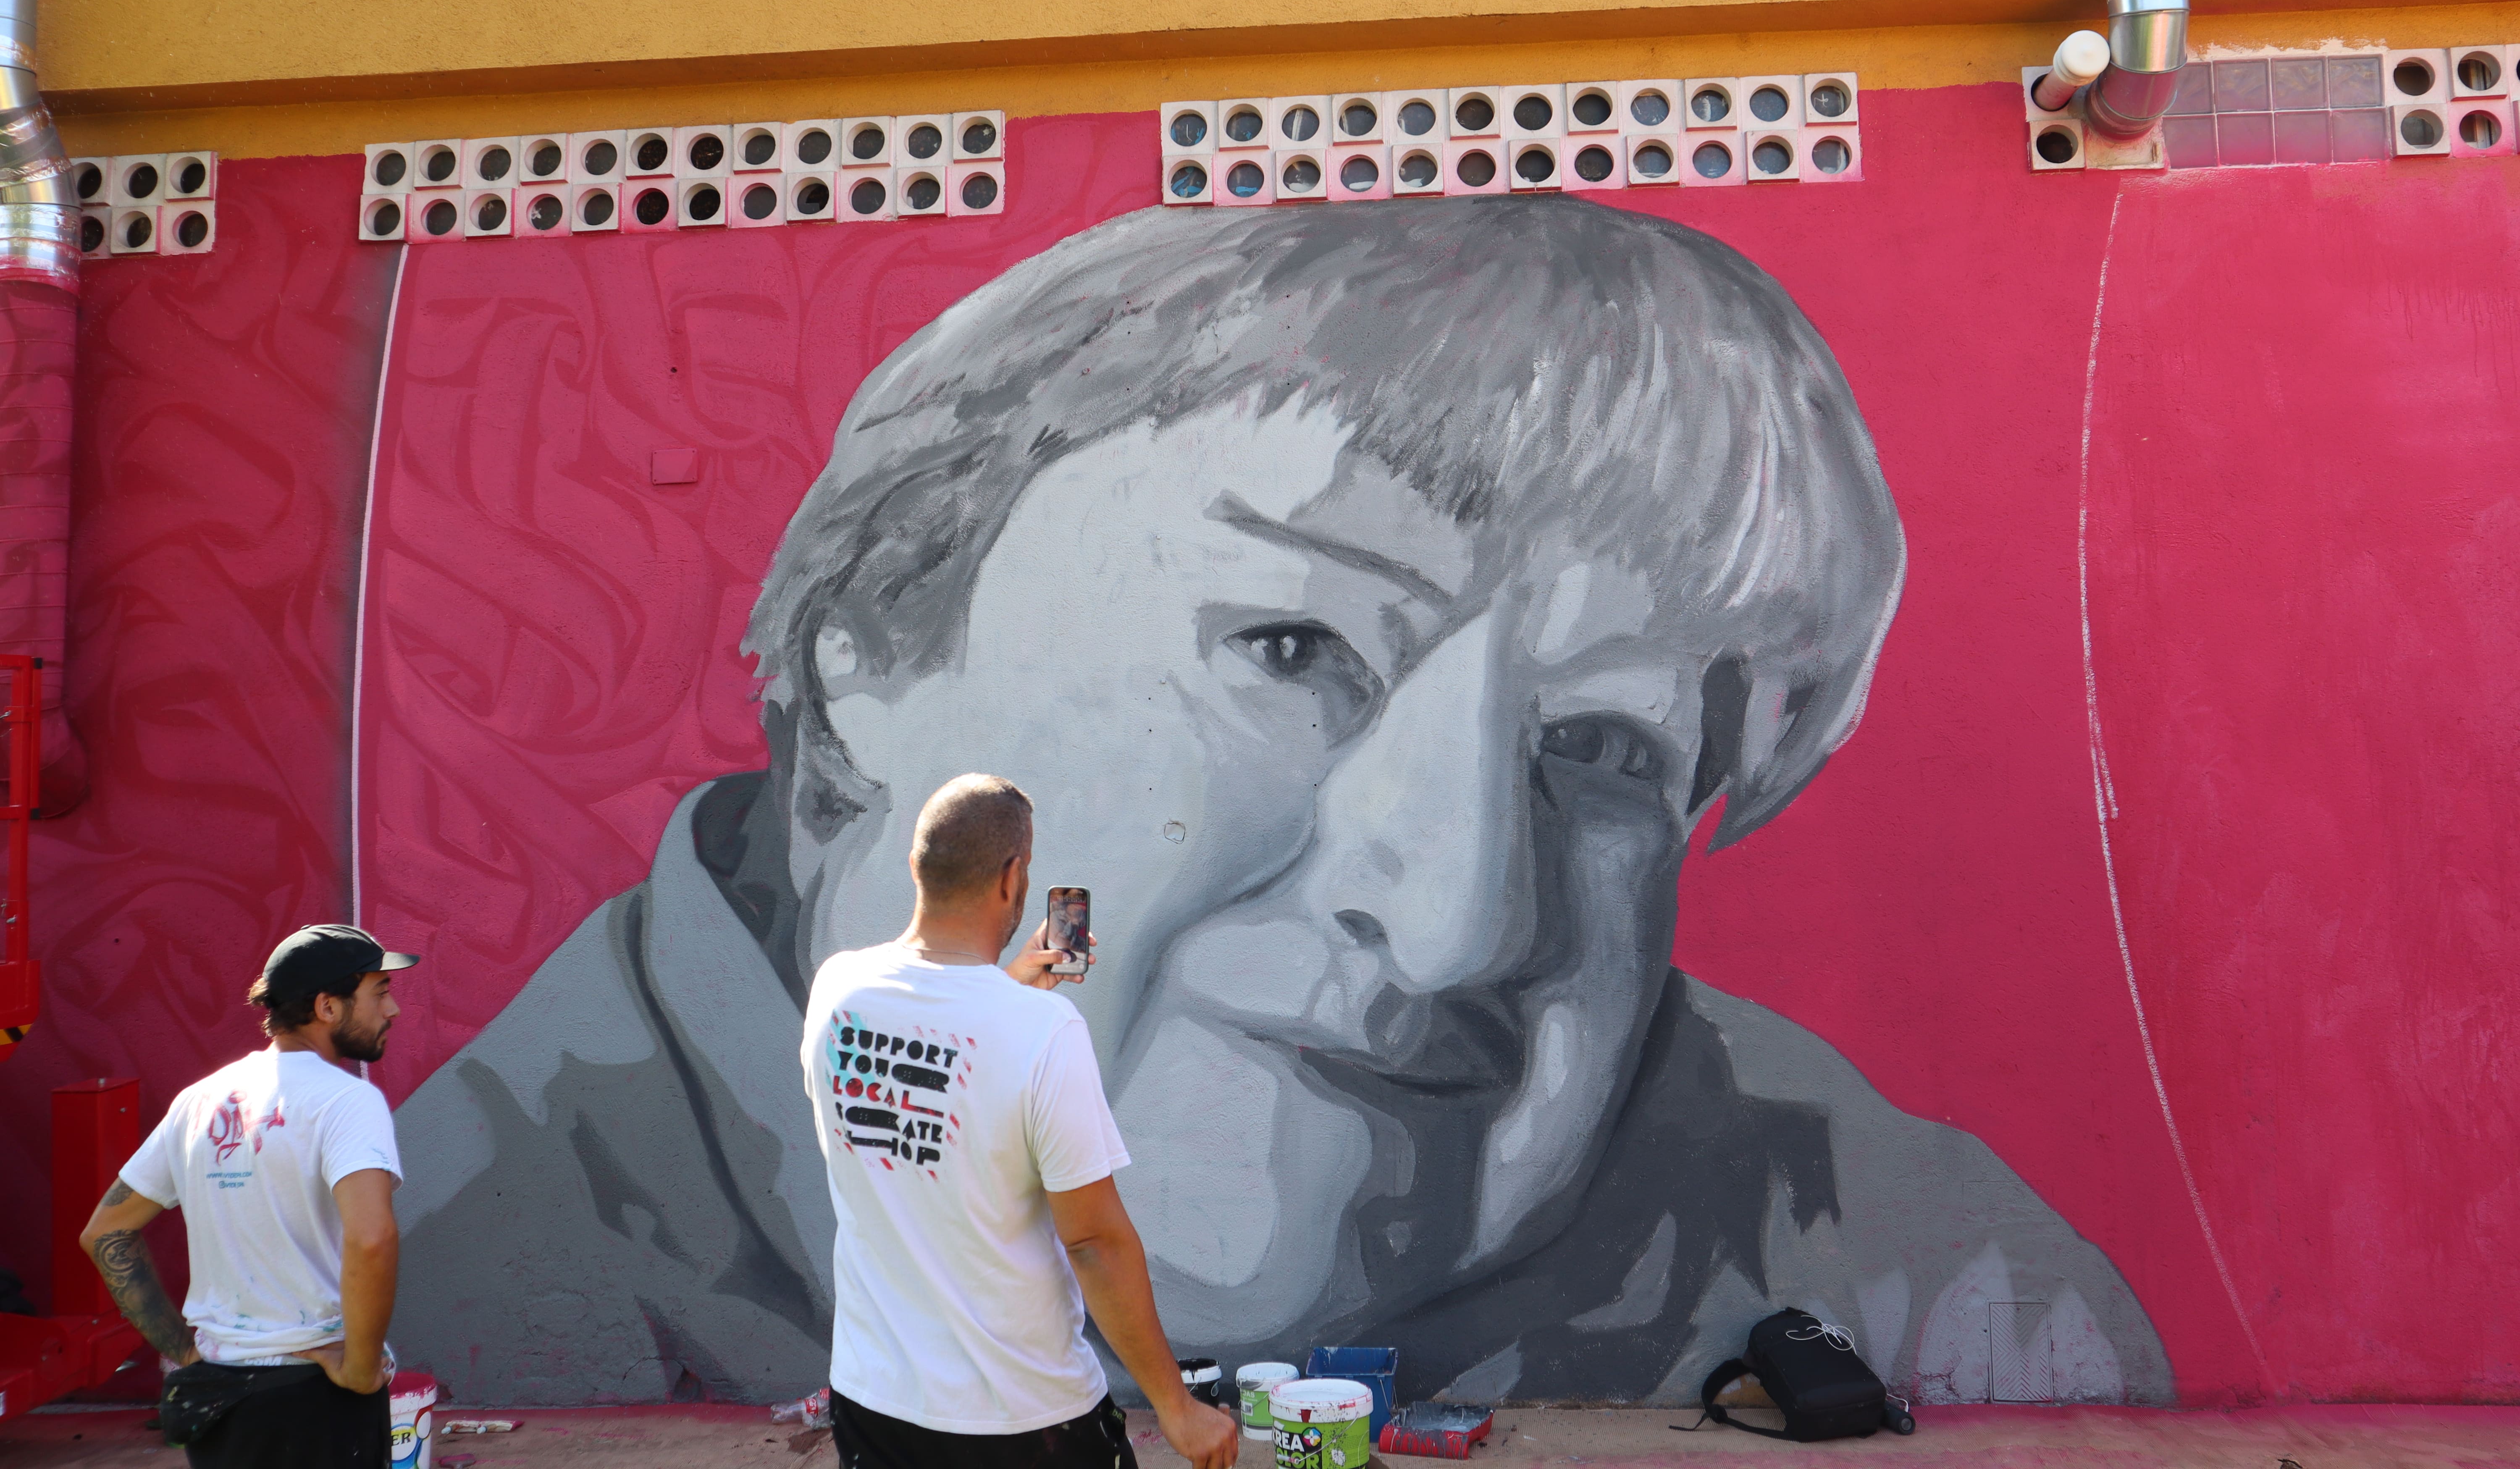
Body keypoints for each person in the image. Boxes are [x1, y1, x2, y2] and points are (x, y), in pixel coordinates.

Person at [390, 197, 2171, 1406]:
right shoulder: (442, 1283)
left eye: (1606, 750)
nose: (1462, 914)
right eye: (1293, 646)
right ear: (878, 643)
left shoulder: (1942, 1286)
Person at [803, 772, 1236, 1469]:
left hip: (873, 1403)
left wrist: (1007, 984)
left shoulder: (839, 990)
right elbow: (1093, 1242)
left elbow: (928, 1075)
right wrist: (1176, 1407)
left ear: (916, 867)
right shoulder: (1042, 1032)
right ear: (1014, 879)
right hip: (1023, 1418)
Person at [81, 924, 414, 1467]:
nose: (393, 1009)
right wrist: (360, 1368)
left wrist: (183, 1350)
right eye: (379, 993)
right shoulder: (348, 1101)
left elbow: (105, 1232)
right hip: (315, 1398)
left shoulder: (199, 1101)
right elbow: (372, 1238)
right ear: (328, 1007)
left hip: (217, 1399)